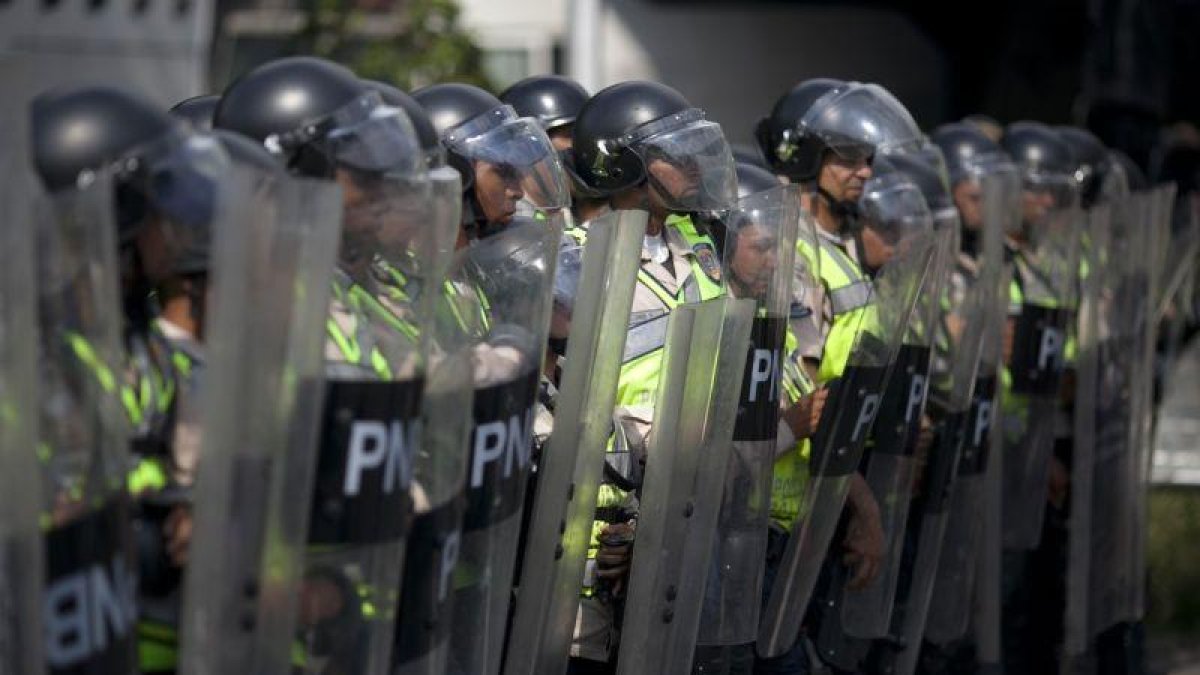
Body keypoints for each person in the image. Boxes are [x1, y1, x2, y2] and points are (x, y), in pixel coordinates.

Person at [564, 79, 737, 674]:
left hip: (695, 507)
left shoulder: (700, 245)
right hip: (611, 527)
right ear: (625, 164)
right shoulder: (579, 260)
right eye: (671, 151)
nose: (691, 164)